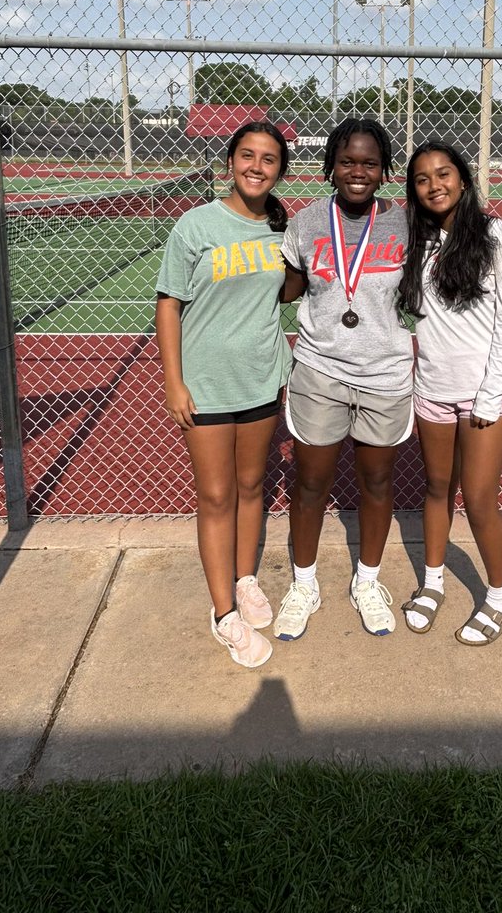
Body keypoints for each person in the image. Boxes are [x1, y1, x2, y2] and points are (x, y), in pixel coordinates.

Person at [155, 121, 292, 669]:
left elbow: (291, 288)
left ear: (280, 169)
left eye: (268, 159)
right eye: (247, 156)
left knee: (252, 484)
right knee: (215, 497)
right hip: (207, 384)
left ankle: (245, 580)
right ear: (230, 161)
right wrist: (174, 381)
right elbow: (169, 305)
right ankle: (222, 615)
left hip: (261, 376)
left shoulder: (281, 229)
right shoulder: (196, 226)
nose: (257, 167)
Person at [273, 117, 413, 641]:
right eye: (349, 161)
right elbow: (286, 290)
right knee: (311, 484)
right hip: (320, 371)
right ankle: (304, 585)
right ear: (331, 166)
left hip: (385, 374)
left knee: (377, 483)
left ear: (384, 171)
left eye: (370, 163)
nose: (359, 171)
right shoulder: (307, 223)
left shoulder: (405, 224)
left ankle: (368, 581)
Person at [398, 140, 502, 646]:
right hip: (431, 389)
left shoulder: (498, 237)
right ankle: (432, 584)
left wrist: (490, 393)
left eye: (444, 173)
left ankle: (500, 598)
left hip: (484, 395)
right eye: (423, 178)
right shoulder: (416, 240)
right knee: (435, 490)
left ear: (464, 179)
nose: (435, 185)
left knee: (477, 498)